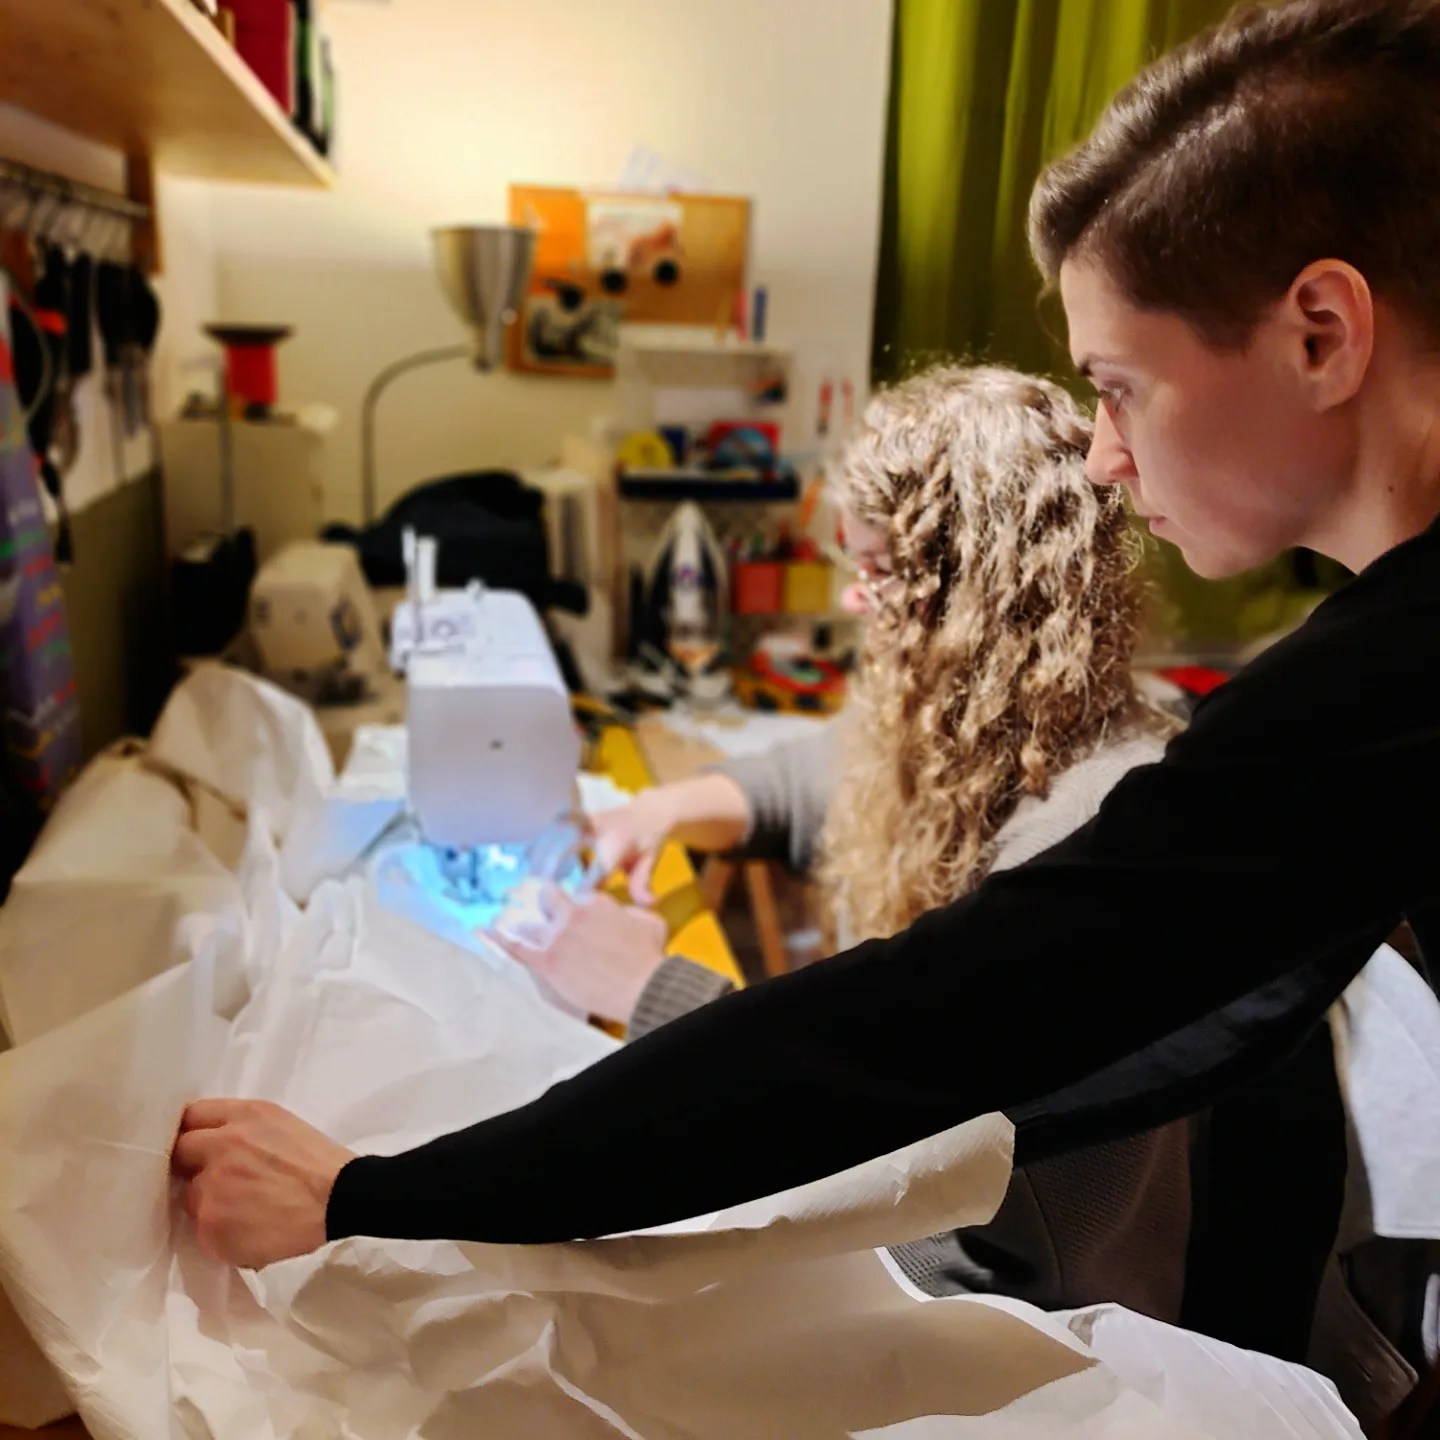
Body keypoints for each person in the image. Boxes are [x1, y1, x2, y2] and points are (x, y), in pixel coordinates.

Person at [175, 0, 1440, 1376]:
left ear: (1322, 333)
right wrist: (691, 805)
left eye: (1121, 386)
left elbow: (913, 1047)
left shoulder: (1367, 692)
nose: (1102, 456)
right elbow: (869, 818)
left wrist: (378, 1193)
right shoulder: (1373, 676)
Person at [496, 363, 1191, 1322]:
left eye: (880, 572)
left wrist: (649, 991)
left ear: (977, 593)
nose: (857, 603)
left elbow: (923, 1172)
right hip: (935, 1234)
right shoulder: (1002, 722)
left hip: (1020, 1309)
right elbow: (826, 768)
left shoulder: (1092, 831)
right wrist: (663, 810)